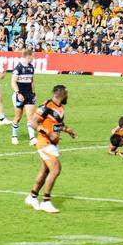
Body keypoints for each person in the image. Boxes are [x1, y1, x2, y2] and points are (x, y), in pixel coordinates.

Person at [26, 85, 76, 213]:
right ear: (62, 94)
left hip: (53, 143)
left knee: (45, 172)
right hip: (45, 142)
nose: (68, 96)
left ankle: (32, 197)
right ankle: (46, 201)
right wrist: (48, 133)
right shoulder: (47, 106)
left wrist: (68, 130)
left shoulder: (59, 107)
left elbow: (57, 123)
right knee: (56, 170)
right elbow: (33, 122)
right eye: (67, 93)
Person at [11, 49, 37, 146]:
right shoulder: (18, 68)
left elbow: (32, 81)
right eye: (32, 56)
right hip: (20, 95)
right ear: (28, 56)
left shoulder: (31, 68)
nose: (33, 58)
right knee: (18, 117)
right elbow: (13, 82)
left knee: (30, 116)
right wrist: (18, 93)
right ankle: (14, 136)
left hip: (29, 95)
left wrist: (34, 94)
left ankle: (32, 138)